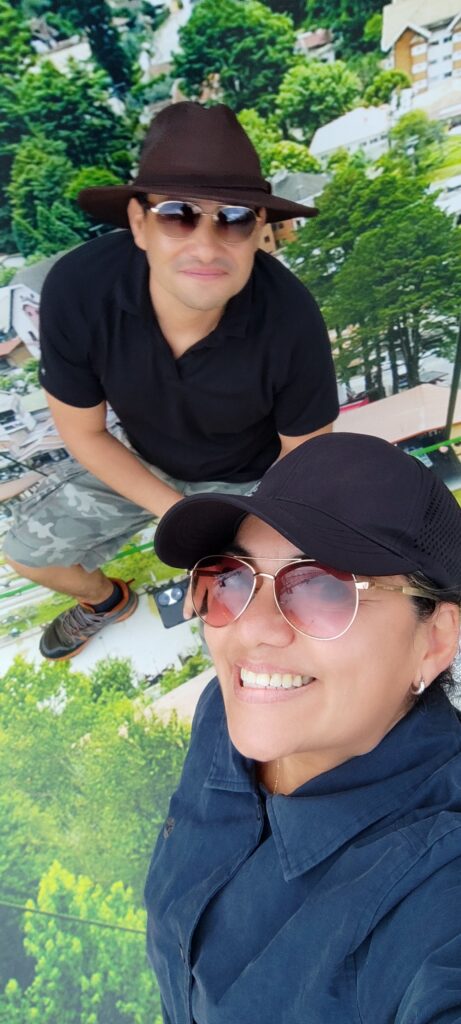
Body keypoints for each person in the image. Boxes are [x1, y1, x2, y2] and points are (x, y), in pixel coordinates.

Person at [2, 101, 338, 661]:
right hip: (137, 458)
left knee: (248, 626)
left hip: (250, 481)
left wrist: (232, 539)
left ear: (259, 228)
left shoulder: (291, 322)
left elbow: (304, 462)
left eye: (234, 217)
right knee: (27, 556)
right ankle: (106, 601)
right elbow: (84, 433)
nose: (206, 245)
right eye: (178, 214)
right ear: (139, 222)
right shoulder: (78, 291)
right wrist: (182, 517)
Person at [145, 431, 461, 1024]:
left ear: (435, 640)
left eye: (322, 587)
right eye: (230, 577)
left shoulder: (437, 889)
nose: (250, 628)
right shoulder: (225, 710)